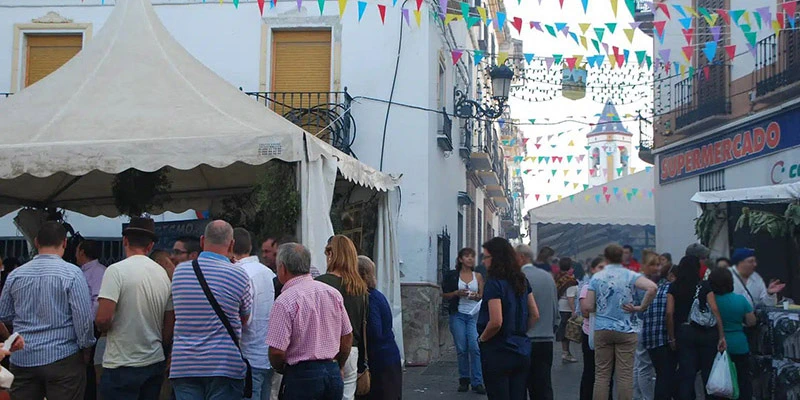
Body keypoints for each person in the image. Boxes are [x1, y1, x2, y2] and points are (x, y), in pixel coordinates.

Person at [0, 221, 95, 399]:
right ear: (64, 243)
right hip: (63, 357)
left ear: (36, 242)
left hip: (23, 357)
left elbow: (4, 314)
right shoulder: (73, 274)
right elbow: (83, 320)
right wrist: (86, 347)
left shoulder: (15, 275)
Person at [170, 220, 253, 399]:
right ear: (231, 244)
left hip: (185, 365)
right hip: (224, 364)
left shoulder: (179, 272)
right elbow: (245, 318)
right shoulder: (239, 275)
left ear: (202, 241)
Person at [95, 217, 174, 399]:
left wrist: (103, 327)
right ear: (150, 246)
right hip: (153, 360)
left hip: (121, 363)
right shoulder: (163, 275)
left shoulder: (116, 271)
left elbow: (103, 318)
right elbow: (169, 321)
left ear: (125, 241)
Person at [266, 243, 353, 400]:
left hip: (302, 374)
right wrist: (339, 364)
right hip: (331, 370)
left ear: (283, 268)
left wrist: (283, 368)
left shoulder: (285, 300)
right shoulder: (332, 293)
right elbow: (347, 335)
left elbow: (276, 351)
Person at [585, 244, 657, 400]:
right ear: (622, 257)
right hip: (626, 328)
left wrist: (601, 307)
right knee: (625, 375)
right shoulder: (630, 275)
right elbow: (652, 288)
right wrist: (640, 307)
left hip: (602, 329)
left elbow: (588, 306)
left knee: (602, 375)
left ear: (606, 258)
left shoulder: (597, 277)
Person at [477, 237, 540, 400]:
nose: (483, 261)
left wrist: (482, 339)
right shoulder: (522, 280)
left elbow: (496, 321)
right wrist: (520, 331)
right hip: (521, 349)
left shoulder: (494, 284)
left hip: (498, 350)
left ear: (496, 258)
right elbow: (535, 314)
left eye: (486, 257)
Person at [666, 256, 726, 400]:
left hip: (685, 332)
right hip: (707, 332)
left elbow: (669, 312)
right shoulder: (704, 285)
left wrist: (671, 337)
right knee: (708, 372)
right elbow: (715, 309)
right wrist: (721, 335)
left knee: (687, 373)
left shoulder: (674, 286)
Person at [316, 236, 368, 400]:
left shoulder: (321, 283)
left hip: (327, 351)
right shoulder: (360, 287)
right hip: (353, 350)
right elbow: (362, 324)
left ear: (331, 254)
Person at [232, 228, 276, 400]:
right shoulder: (268, 272)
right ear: (250, 247)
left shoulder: (238, 274)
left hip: (247, 356)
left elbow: (242, 317)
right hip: (268, 355)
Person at [356, 256, 402, 400]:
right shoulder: (377, 295)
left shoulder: (370, 298)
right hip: (388, 358)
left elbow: (375, 332)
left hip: (379, 362)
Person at [441, 248, 485, 394]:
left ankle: (477, 381)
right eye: (467, 256)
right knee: (461, 348)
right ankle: (464, 379)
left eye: (472, 256)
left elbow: (482, 296)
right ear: (460, 259)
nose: (470, 259)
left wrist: (476, 296)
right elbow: (444, 294)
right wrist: (456, 293)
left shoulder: (478, 276)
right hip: (458, 314)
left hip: (474, 315)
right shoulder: (453, 276)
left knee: (475, 347)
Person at [517, 244, 557, 400]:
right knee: (543, 387)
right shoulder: (548, 277)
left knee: (519, 387)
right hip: (545, 339)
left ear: (521, 257)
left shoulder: (517, 277)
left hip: (523, 339)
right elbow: (555, 311)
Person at [708, 267, 755, 400]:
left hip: (716, 344)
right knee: (742, 380)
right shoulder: (740, 300)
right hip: (739, 344)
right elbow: (751, 321)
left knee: (718, 382)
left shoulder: (710, 301)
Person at [75, 239, 106, 400]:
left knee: (88, 365)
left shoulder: (98, 271)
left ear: (82, 252)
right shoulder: (80, 271)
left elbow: (97, 301)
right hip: (82, 324)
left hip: (90, 325)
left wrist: (90, 323)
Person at [578, 257, 612, 400]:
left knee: (608, 373)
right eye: (600, 267)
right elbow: (585, 311)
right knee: (590, 371)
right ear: (593, 269)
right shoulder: (587, 288)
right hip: (590, 334)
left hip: (608, 333)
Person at [642, 261, 675, 400]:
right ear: (671, 276)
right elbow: (669, 314)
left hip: (649, 337)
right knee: (666, 375)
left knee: (660, 373)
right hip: (663, 337)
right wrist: (672, 338)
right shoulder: (671, 290)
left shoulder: (655, 289)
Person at [632, 254, 662, 400]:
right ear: (644, 265)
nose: (656, 268)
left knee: (639, 364)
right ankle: (646, 397)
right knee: (644, 365)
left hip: (638, 324)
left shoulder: (639, 280)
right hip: (644, 324)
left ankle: (637, 396)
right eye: (653, 264)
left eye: (658, 264)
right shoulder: (645, 283)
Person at [554, 257, 578, 364]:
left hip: (559, 306)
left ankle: (565, 352)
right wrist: (574, 310)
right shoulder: (570, 281)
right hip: (566, 309)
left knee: (563, 330)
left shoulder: (558, 277)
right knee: (566, 332)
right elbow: (570, 297)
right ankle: (566, 353)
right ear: (570, 268)